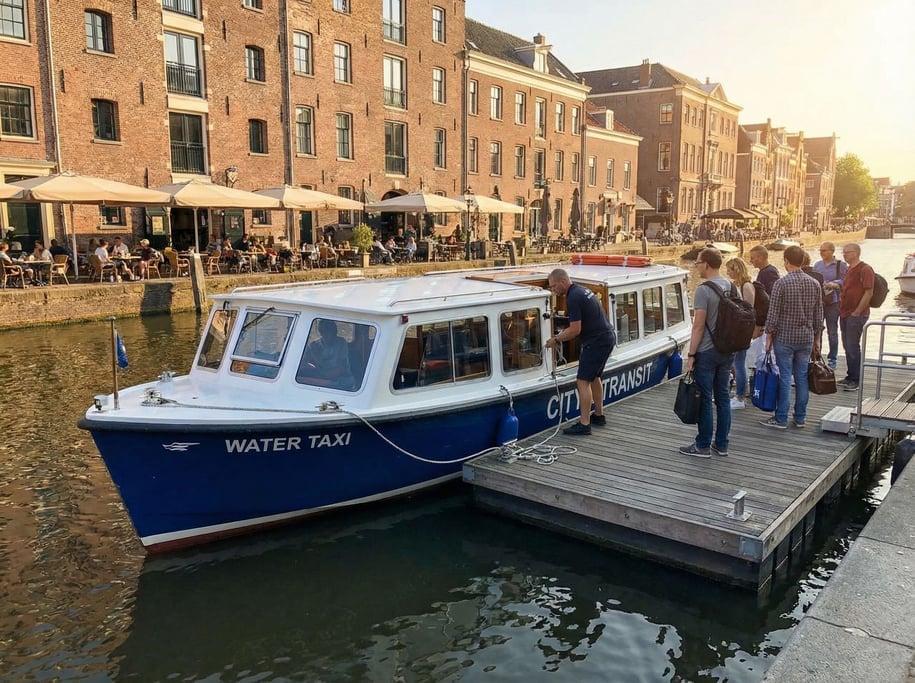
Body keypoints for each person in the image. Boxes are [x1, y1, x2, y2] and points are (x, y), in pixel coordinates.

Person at [544, 268, 616, 435]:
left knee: (582, 381)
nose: (553, 290)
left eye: (554, 286)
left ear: (562, 282)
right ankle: (598, 414)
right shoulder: (582, 290)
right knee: (595, 377)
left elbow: (576, 329)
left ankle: (584, 424)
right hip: (607, 337)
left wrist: (556, 339)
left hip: (596, 341)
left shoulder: (573, 297)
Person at [760, 245, 824, 429]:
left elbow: (773, 313)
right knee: (802, 377)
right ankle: (800, 417)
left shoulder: (782, 283)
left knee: (785, 377)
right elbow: (818, 314)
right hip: (806, 337)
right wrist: (817, 339)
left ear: (787, 261)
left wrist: (769, 336)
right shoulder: (814, 283)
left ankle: (781, 418)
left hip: (785, 337)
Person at [680, 248, 734, 457]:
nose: (697, 266)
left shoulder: (704, 290)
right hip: (726, 349)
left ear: (707, 264)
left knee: (704, 397)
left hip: (707, 351)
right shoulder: (730, 286)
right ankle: (722, 444)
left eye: (698, 263)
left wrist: (691, 355)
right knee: (723, 397)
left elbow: (698, 326)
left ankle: (702, 445)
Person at [838, 243, 875, 392]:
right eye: (844, 252)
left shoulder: (865, 269)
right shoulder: (848, 270)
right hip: (845, 312)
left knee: (853, 345)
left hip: (856, 314)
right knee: (847, 345)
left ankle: (856, 379)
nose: (844, 254)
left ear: (856, 253)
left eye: (847, 252)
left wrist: (858, 311)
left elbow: (869, 292)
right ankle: (850, 375)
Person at [724, 257, 756, 410]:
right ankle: (742, 392)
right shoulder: (742, 286)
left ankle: (740, 397)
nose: (728, 272)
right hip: (740, 330)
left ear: (736, 269)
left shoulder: (746, 286)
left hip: (741, 331)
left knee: (739, 363)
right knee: (737, 363)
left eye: (730, 269)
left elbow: (747, 311)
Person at [813, 242, 847, 369]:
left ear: (832, 251)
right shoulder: (817, 265)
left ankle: (832, 358)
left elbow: (847, 280)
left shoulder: (841, 265)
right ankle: (817, 356)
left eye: (824, 250)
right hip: (820, 302)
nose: (822, 253)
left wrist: (834, 283)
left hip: (833, 301)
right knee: (818, 330)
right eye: (820, 250)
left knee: (832, 331)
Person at [300, 318, 354, 390]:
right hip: (318, 378)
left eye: (332, 332)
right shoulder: (313, 346)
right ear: (321, 332)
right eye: (325, 332)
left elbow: (342, 366)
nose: (329, 335)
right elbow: (304, 363)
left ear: (335, 332)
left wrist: (328, 376)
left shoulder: (341, 343)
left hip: (340, 378)